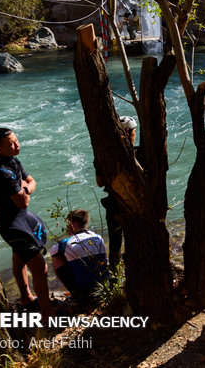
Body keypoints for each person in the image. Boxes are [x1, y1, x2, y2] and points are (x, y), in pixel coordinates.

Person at [0, 128, 54, 318]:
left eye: (17, 140)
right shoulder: (1, 172)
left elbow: (31, 182)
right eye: (11, 144)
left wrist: (25, 188)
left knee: (19, 259)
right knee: (41, 267)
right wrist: (25, 189)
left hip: (22, 218)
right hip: (12, 225)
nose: (17, 145)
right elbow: (22, 201)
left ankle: (26, 297)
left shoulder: (13, 160)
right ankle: (48, 312)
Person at [95, 115, 137, 271]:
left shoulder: (103, 156)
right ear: (127, 132)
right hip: (133, 204)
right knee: (134, 240)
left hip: (113, 203)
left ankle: (115, 275)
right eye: (133, 132)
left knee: (115, 242)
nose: (135, 135)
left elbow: (100, 183)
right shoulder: (137, 154)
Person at [50, 209, 107, 302]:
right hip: (104, 289)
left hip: (84, 294)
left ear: (74, 223)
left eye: (69, 223)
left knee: (57, 258)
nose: (68, 226)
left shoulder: (67, 242)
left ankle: (76, 296)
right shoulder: (98, 237)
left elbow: (52, 252)